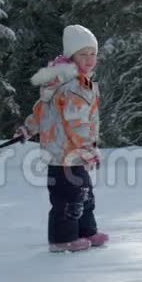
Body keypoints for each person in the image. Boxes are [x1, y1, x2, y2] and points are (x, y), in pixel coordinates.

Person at [14, 24, 108, 252]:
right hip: (66, 152)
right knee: (69, 198)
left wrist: (28, 128)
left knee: (84, 194)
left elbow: (42, 112)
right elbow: (77, 123)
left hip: (68, 153)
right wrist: (88, 149)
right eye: (83, 54)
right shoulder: (74, 87)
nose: (89, 59)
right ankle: (62, 238)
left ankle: (86, 231)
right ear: (71, 57)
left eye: (93, 54)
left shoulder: (66, 82)